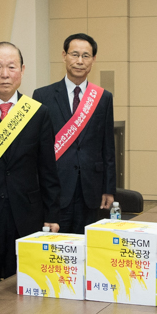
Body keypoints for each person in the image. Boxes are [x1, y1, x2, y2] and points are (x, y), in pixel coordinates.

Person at [0, 42, 61, 293]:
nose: (5, 74)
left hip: (26, 217)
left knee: (27, 290)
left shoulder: (38, 113)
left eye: (11, 67)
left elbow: (47, 169)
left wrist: (52, 216)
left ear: (22, 70)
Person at [32, 33, 116, 234]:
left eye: (86, 56)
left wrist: (109, 188)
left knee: (87, 248)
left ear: (93, 60)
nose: (80, 61)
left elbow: (108, 147)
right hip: (56, 189)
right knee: (57, 249)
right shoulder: (42, 95)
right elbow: (37, 148)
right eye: (75, 54)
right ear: (64, 55)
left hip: (91, 188)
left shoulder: (103, 98)